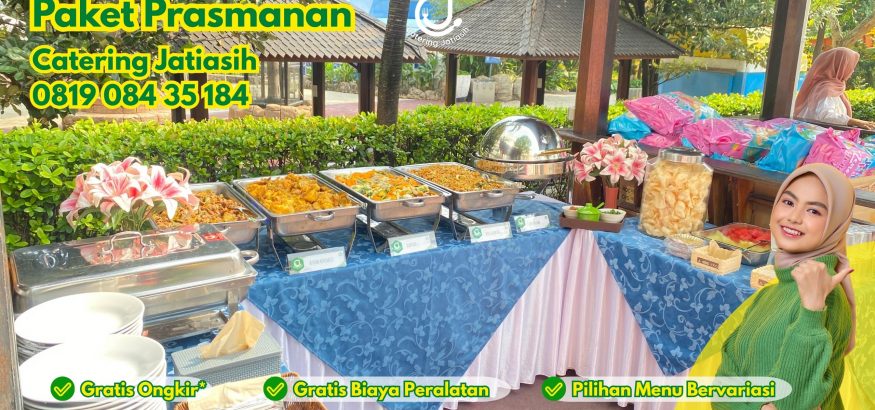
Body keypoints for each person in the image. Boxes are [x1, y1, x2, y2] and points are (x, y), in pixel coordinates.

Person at [714, 164, 856, 410]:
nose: (794, 217)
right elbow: (723, 385)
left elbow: (792, 402)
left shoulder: (826, 298)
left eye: (813, 211)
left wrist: (812, 312)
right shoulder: (774, 290)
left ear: (835, 223)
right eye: (789, 202)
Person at [795, 47, 875, 130]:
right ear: (840, 67)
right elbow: (826, 115)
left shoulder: (835, 87)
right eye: (849, 66)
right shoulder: (826, 89)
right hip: (818, 136)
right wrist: (856, 122)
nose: (852, 71)